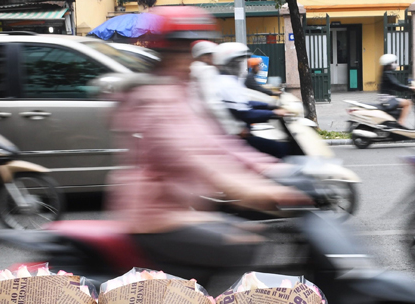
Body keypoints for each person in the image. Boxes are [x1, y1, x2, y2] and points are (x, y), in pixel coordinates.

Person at [108, 6, 304, 283]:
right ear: (167, 52)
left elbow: (218, 143)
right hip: (154, 218)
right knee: (239, 244)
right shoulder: (152, 98)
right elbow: (190, 156)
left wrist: (277, 171)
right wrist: (254, 190)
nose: (195, 59)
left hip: (181, 211)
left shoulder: (183, 91)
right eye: (186, 50)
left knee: (247, 237)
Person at [213, 42, 290, 158]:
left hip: (241, 131)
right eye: (237, 63)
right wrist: (273, 113)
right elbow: (245, 113)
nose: (240, 66)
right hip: (236, 137)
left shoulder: (230, 80)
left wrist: (270, 106)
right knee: (279, 149)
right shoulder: (226, 83)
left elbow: (246, 103)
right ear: (230, 64)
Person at [379, 54, 413, 126]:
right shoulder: (388, 73)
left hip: (386, 97)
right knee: (408, 103)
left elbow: (395, 86)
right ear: (389, 63)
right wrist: (409, 88)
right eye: (394, 62)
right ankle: (401, 122)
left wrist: (405, 89)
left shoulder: (386, 72)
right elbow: (396, 84)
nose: (396, 64)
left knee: (404, 102)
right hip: (387, 98)